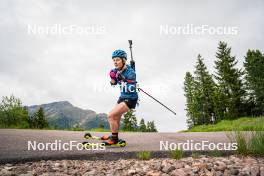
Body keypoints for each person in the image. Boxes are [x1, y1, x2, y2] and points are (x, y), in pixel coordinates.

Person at [102, 49, 138, 145]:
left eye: (117, 60)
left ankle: (114, 139)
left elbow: (131, 87)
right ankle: (114, 136)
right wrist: (113, 78)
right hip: (122, 97)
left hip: (131, 98)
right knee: (116, 117)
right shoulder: (115, 71)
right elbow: (113, 83)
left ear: (123, 60)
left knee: (111, 115)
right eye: (113, 60)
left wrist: (124, 79)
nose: (115, 62)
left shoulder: (130, 72)